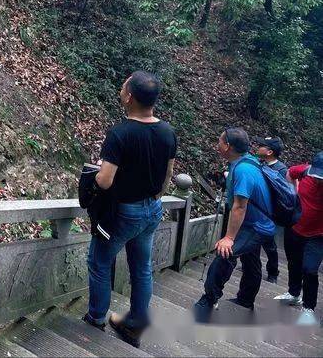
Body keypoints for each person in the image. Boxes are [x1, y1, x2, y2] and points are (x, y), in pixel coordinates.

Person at [83, 71, 177, 347]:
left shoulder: (120, 133)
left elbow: (104, 180)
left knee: (99, 262)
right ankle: (136, 324)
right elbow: (168, 175)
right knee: (141, 267)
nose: (121, 90)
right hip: (152, 209)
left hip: (123, 213)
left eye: (123, 87)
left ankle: (96, 317)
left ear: (129, 97)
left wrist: (99, 171)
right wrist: (154, 196)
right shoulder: (167, 131)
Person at [193, 128, 276, 322]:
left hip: (255, 227)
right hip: (260, 223)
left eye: (219, 141)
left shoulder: (243, 169)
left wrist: (229, 238)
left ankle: (208, 300)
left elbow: (239, 206)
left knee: (225, 254)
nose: (217, 144)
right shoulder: (246, 162)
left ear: (228, 146)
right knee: (251, 260)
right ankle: (246, 300)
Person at [273, 152, 323, 326]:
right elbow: (290, 173)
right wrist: (294, 191)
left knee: (309, 269)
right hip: (294, 228)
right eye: (317, 176)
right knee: (293, 262)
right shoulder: (304, 170)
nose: (318, 180)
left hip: (318, 236)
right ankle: (294, 294)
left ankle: (308, 308)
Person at [254, 136, 288, 283]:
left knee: (269, 245)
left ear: (269, 152)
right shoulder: (261, 164)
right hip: (256, 208)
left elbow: (282, 194)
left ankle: (273, 272)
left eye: (261, 145)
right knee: (252, 238)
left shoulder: (281, 169)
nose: (257, 147)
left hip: (270, 213)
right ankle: (251, 265)